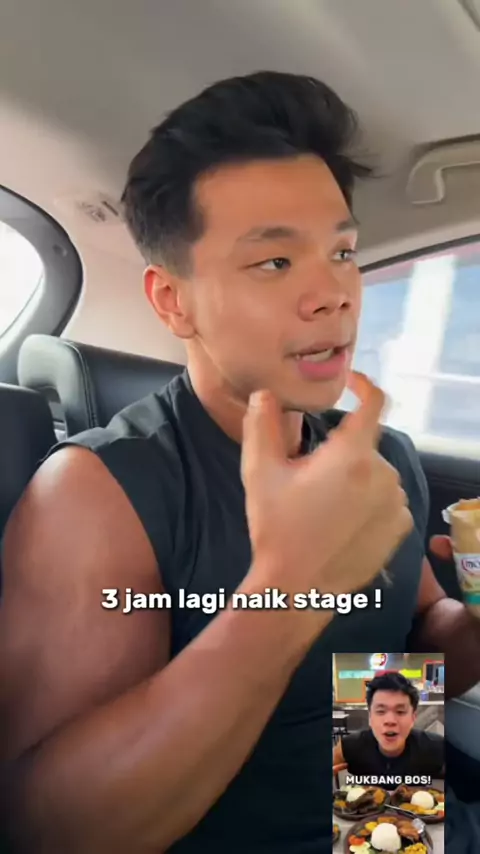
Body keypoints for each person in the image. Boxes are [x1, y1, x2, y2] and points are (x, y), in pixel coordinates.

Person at [1, 70, 480, 854]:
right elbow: (49, 831)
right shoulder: (102, 490)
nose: (334, 293)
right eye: (275, 263)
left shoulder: (379, 453)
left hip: (401, 827)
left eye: (343, 252)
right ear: (173, 301)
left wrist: (474, 617)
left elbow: (410, 652)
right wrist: (286, 594)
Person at [333, 672, 444, 788]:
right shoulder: (350, 746)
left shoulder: (436, 747)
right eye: (381, 711)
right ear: (370, 717)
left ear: (413, 718)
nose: (390, 721)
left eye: (400, 712)